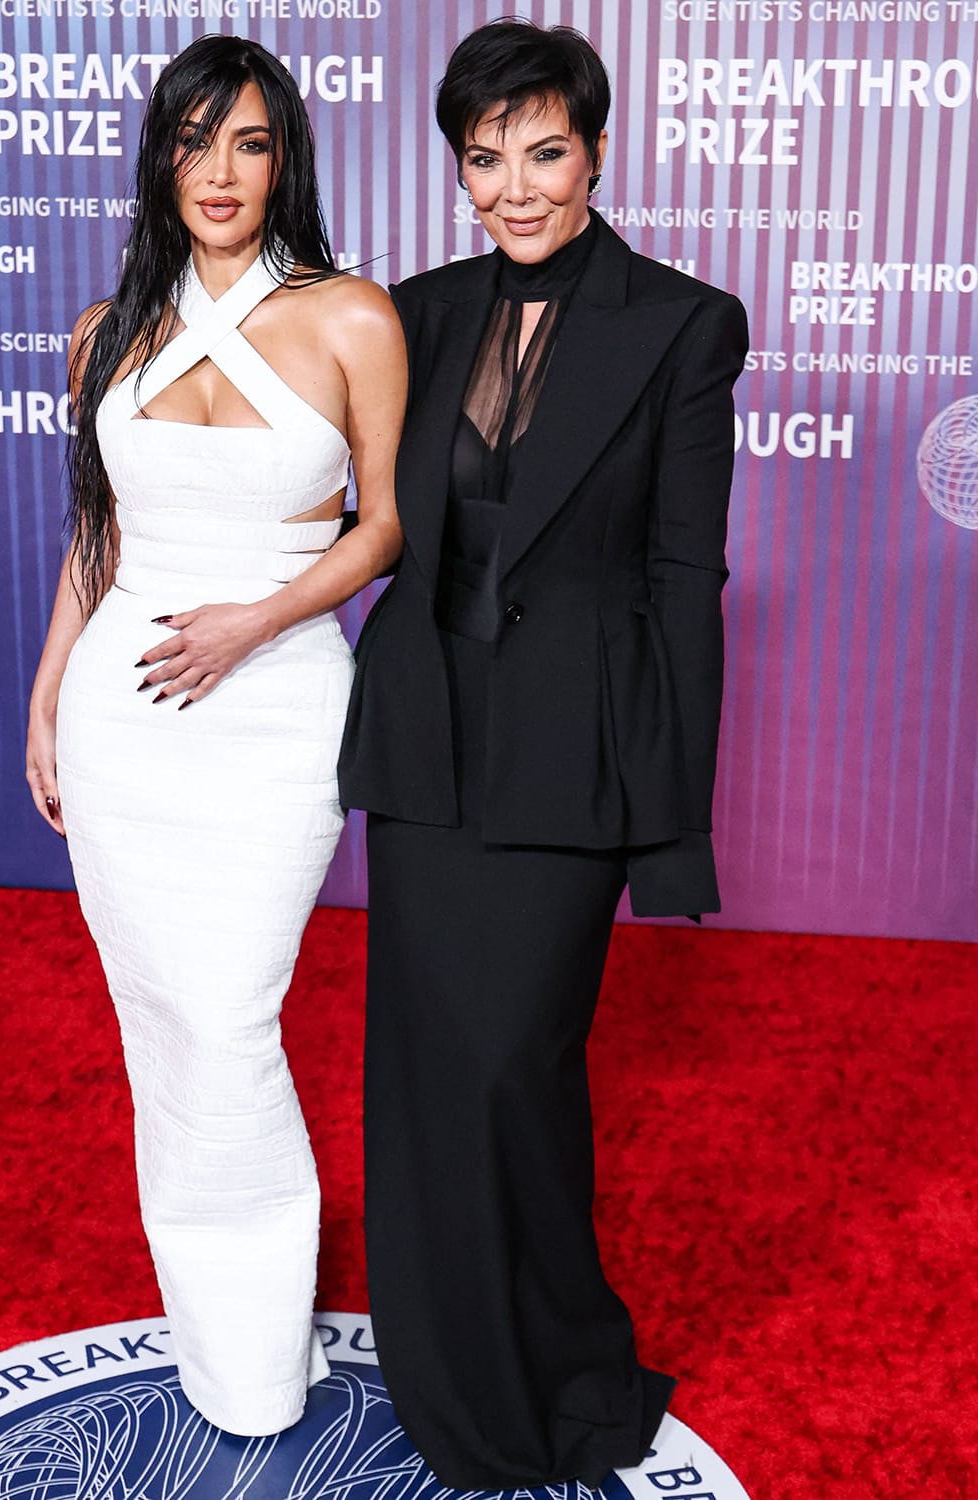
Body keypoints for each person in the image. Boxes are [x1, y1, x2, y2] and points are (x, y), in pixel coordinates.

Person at [338, 18, 749, 1492]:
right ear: (460, 168)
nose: (515, 188)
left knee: (516, 1066)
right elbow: (331, 487)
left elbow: (681, 581)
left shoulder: (685, 324)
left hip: (570, 760)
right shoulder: (415, 312)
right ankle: (449, 1379)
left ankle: (565, 1358)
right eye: (484, 158)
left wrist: (671, 820)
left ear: (595, 148)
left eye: (544, 152)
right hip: (427, 743)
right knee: (425, 1077)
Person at [25, 34, 404, 1438]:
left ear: (285, 154)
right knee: (160, 1020)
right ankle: (221, 1341)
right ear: (160, 161)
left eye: (248, 141)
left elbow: (386, 521)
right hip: (126, 711)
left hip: (277, 708)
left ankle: (259, 1347)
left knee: (231, 1014)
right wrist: (48, 690)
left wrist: (256, 620)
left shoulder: (352, 316)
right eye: (195, 141)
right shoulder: (103, 331)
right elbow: (95, 532)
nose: (221, 171)